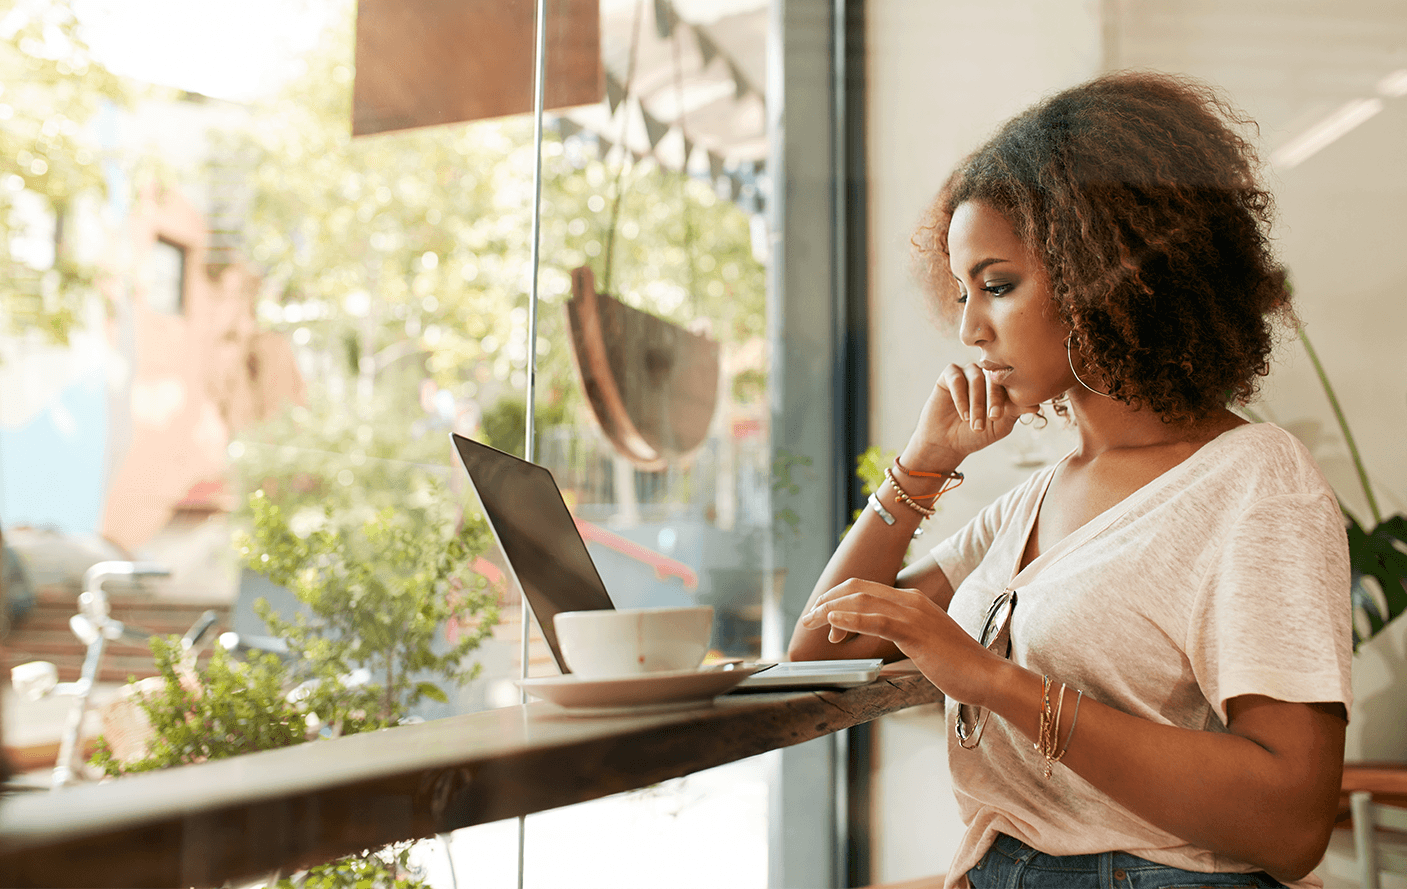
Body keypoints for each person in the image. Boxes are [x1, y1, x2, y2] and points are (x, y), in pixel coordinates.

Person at [789, 71, 1351, 889]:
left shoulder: (1254, 481)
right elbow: (818, 650)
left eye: (997, 284)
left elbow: (1291, 821)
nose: (967, 327)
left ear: (1106, 274)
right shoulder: (1035, 499)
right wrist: (923, 462)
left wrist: (988, 678)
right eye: (959, 291)